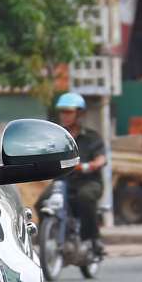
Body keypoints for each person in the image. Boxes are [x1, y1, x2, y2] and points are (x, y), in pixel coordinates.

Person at [53, 91, 108, 250]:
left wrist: (90, 165)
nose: (65, 116)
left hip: (88, 181)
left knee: (85, 197)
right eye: (62, 111)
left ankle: (91, 239)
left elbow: (101, 158)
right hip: (63, 181)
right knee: (43, 201)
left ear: (80, 113)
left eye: (69, 111)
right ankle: (51, 235)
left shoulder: (92, 137)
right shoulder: (57, 137)